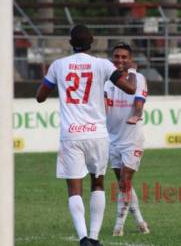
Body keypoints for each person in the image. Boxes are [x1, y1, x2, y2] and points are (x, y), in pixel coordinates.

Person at [36, 25, 137, 246]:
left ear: (71, 43)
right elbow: (129, 89)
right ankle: (94, 237)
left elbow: (40, 96)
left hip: (71, 134)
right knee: (98, 184)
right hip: (97, 134)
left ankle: (83, 238)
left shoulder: (58, 65)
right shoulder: (102, 65)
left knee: (74, 187)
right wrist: (126, 71)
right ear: (92, 42)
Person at [104, 42, 150, 236]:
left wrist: (137, 114)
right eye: (117, 56)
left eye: (124, 57)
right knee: (124, 185)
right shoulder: (107, 81)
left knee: (124, 182)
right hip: (112, 139)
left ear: (130, 59)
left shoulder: (138, 78)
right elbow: (104, 107)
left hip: (132, 139)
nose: (120, 60)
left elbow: (139, 102)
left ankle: (118, 227)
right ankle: (140, 222)